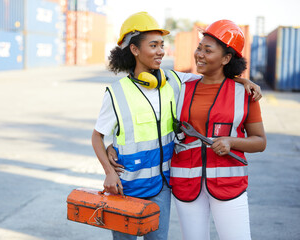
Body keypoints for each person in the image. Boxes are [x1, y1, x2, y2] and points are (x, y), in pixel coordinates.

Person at [92, 12, 261, 240]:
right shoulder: (127, 91)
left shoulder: (173, 81)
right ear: (134, 50)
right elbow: (104, 134)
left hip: (173, 185)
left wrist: (243, 80)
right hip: (140, 184)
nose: (161, 51)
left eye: (162, 45)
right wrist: (111, 160)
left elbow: (216, 80)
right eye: (153, 45)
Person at [170, 20, 267, 240]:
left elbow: (260, 142)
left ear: (226, 58)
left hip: (229, 184)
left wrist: (232, 142)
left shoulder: (245, 94)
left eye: (208, 50)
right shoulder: (181, 88)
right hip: (187, 183)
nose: (199, 55)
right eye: (199, 48)